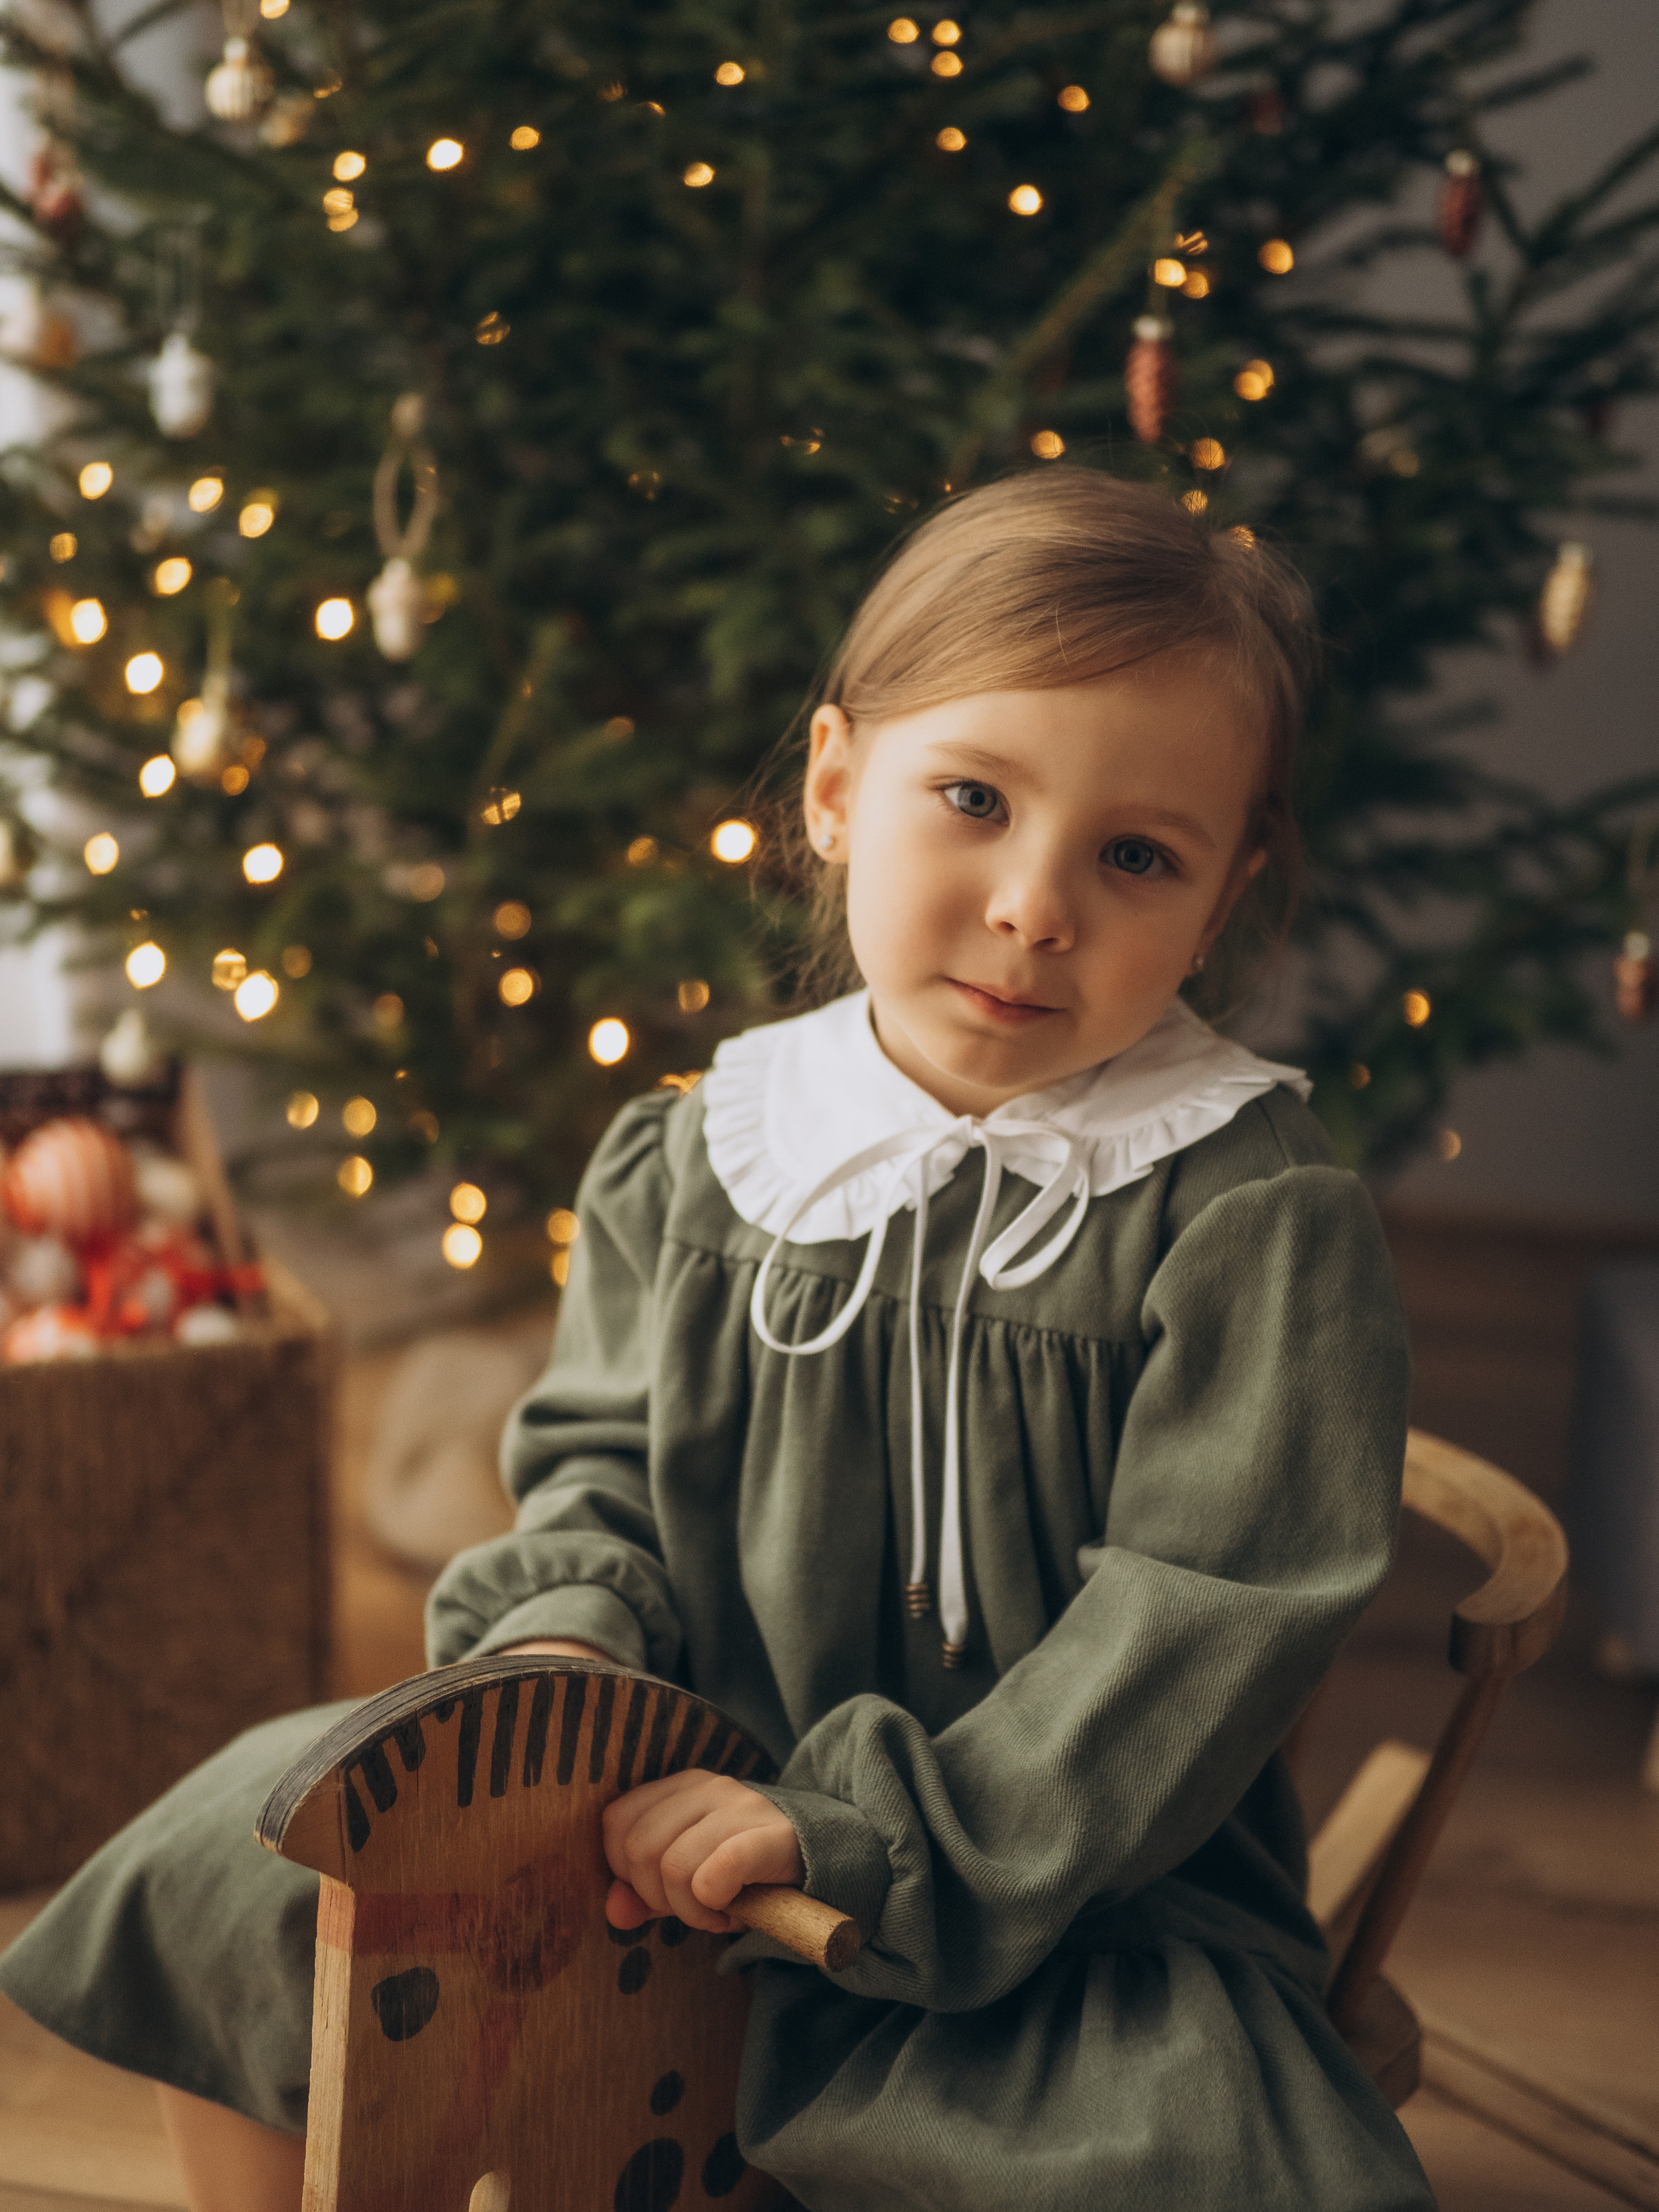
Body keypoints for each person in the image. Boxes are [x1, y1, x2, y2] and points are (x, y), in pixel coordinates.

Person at [0, 469, 1433, 2211]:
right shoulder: (702, 1156)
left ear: (1223, 894)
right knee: (229, 1874)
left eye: (1136, 856)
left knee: (1191, 2154)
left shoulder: (1250, 1215)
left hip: (1050, 1888)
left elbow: (1202, 1623)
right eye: (974, 799)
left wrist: (868, 1834)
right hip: (643, 1831)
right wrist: (563, 1655)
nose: (1034, 904)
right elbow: (598, 1475)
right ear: (835, 789)